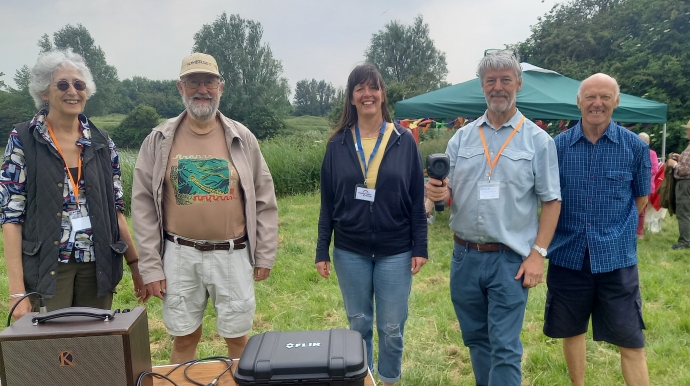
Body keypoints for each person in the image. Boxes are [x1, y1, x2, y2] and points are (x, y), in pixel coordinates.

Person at [426, 51, 561, 386]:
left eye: (505, 80)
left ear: (518, 83)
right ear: (482, 87)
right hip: (464, 258)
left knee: (504, 346)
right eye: (491, 81)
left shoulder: (538, 141)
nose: (498, 87)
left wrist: (537, 254)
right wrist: (439, 194)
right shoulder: (463, 137)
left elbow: (552, 202)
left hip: (509, 261)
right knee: (477, 340)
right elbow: (450, 190)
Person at [132, 53, 278, 362]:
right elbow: (143, 205)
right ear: (179, 88)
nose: (202, 89)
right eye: (193, 81)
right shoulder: (158, 139)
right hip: (180, 255)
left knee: (238, 338)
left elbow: (264, 198)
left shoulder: (243, 138)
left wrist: (264, 252)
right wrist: (150, 266)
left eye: (209, 81)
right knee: (184, 338)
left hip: (232, 254)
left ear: (220, 87)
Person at [0, 48, 143, 320]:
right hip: (49, 267)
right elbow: (11, 215)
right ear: (44, 92)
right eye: (62, 84)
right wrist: (17, 292)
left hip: (97, 265)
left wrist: (135, 264)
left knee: (92, 349)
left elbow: (116, 210)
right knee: (55, 353)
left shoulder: (102, 142)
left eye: (79, 85)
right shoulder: (23, 139)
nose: (72, 91)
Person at [315, 63, 427, 386]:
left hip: (396, 250)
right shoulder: (337, 145)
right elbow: (327, 203)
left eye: (373, 87)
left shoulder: (404, 141)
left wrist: (420, 245)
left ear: (382, 94)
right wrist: (323, 248)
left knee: (392, 327)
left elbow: (417, 200)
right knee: (359, 324)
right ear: (351, 98)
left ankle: (389, 380)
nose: (368, 94)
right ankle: (364, 381)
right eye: (360, 89)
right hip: (350, 251)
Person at [544, 73, 651, 386]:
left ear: (616, 102)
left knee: (631, 339)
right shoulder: (557, 147)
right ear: (578, 102)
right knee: (572, 330)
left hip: (616, 258)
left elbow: (641, 200)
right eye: (590, 96)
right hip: (569, 256)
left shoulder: (634, 147)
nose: (597, 103)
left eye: (605, 97)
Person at [666, 119, 690, 249]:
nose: (686, 131)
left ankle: (684, 243)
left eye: (688, 129)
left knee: (684, 213)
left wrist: (674, 164)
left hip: (685, 184)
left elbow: (685, 170)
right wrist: (681, 158)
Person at [636, 132, 658, 238]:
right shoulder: (632, 151)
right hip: (631, 185)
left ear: (648, 143)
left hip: (645, 185)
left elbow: (654, 170)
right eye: (638, 139)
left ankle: (639, 233)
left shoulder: (652, 154)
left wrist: (640, 173)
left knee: (641, 210)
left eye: (643, 141)